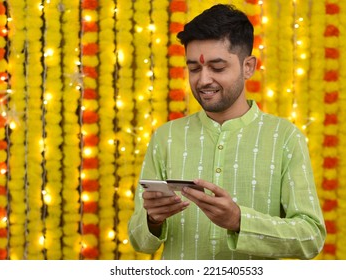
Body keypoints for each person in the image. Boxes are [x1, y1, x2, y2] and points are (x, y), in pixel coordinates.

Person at [128, 4, 326, 260]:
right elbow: (138, 240)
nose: (203, 80)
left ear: (249, 67)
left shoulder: (285, 137)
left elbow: (311, 237)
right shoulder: (166, 138)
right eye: (194, 68)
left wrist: (239, 221)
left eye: (217, 68)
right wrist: (152, 219)